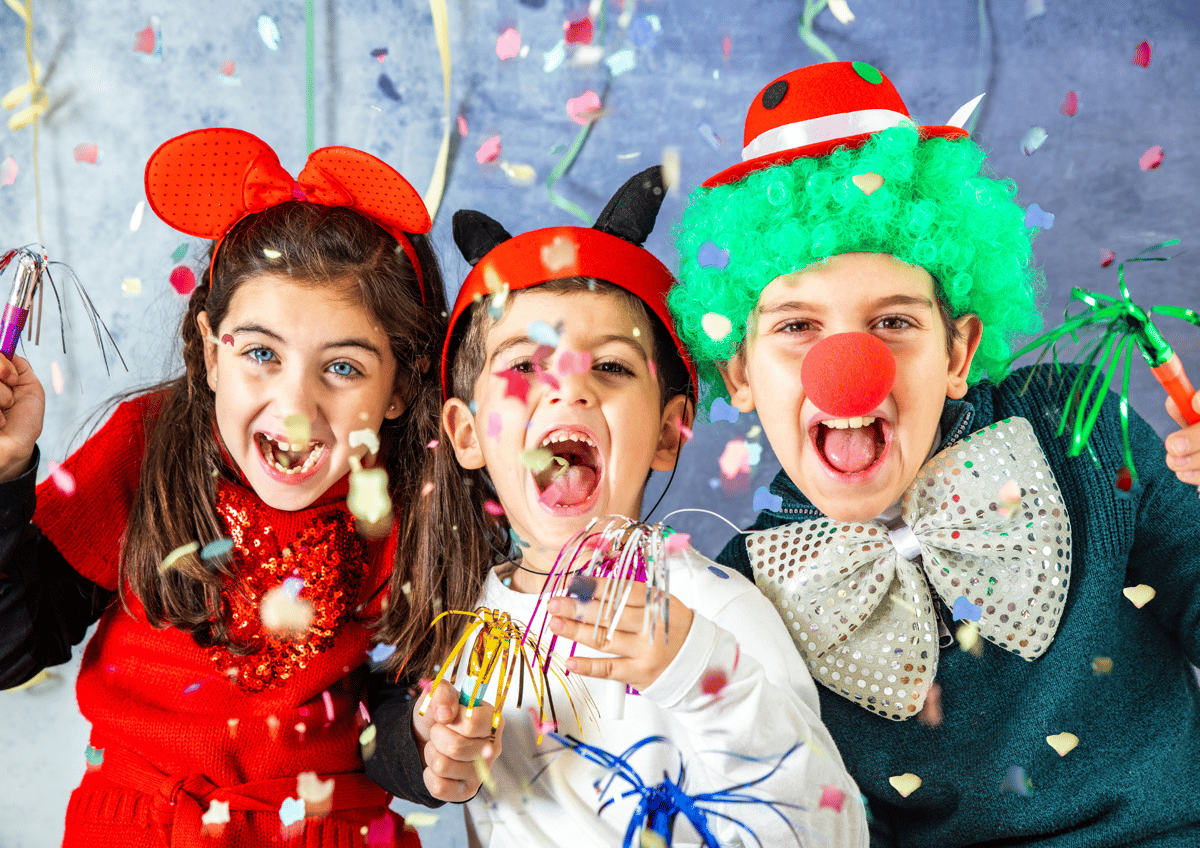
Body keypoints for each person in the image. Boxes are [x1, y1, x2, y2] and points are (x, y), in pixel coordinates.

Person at [668, 61, 1200, 846]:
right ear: (739, 371)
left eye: (892, 323)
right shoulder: (746, 591)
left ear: (959, 351)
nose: (847, 373)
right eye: (795, 327)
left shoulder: (1078, 428)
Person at [0, 127, 501, 846]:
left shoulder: (408, 496)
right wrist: (7, 476)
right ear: (210, 352)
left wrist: (429, 749)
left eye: (344, 367)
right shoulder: (148, 447)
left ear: (400, 387)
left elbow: (393, 709)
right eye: (261, 353)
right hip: (138, 825)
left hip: (333, 830)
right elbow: (13, 646)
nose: (295, 407)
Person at [388, 165, 868, 848]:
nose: (569, 388)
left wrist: (698, 669)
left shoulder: (719, 614)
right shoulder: (472, 632)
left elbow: (832, 832)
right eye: (525, 367)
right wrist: (446, 759)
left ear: (671, 433)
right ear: (467, 434)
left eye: (610, 366)